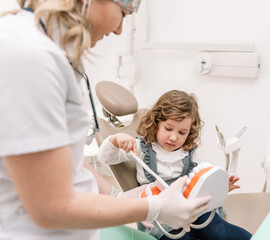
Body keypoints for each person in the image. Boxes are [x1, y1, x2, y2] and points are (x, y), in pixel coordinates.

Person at [0, 1, 212, 240]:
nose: (120, 30)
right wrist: (154, 207)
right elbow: (50, 207)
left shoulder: (52, 53)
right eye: (123, 13)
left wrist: (115, 197)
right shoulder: (28, 57)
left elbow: (65, 156)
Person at [98, 90, 252, 240]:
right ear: (156, 123)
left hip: (191, 209)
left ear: (189, 132)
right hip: (161, 216)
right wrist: (115, 139)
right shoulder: (141, 148)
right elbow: (105, 158)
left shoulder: (189, 153)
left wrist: (219, 188)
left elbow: (198, 184)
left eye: (182, 132)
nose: (173, 137)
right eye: (168, 128)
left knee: (220, 230)